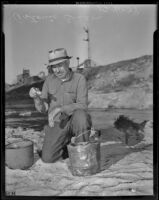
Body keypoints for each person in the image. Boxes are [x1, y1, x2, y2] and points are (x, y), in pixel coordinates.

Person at [29, 48, 92, 163]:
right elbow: (43, 109)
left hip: (75, 120)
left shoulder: (79, 79)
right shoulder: (48, 81)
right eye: (54, 67)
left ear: (67, 63)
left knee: (81, 116)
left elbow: (83, 105)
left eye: (60, 65)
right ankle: (67, 146)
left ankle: (82, 151)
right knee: (48, 158)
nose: (57, 70)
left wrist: (60, 108)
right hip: (58, 123)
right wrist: (36, 99)